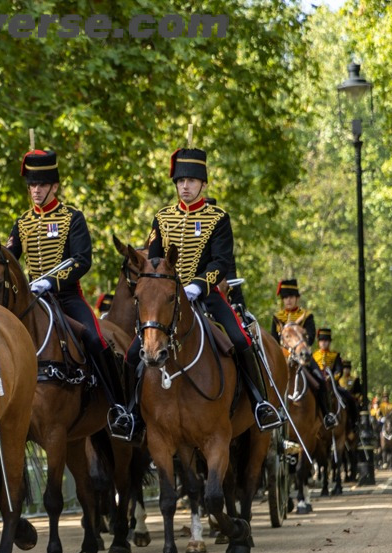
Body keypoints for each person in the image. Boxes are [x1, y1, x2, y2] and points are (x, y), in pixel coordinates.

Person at [115, 146, 282, 433]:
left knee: (241, 340)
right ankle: (131, 414)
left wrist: (197, 285)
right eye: (180, 181)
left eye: (191, 181)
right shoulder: (162, 218)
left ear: (203, 184)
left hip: (205, 295)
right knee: (133, 353)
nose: (185, 186)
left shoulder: (217, 218)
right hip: (166, 299)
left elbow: (221, 262)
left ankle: (259, 403)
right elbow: (154, 261)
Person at [4, 149, 132, 439]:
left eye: (41, 185)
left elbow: (81, 259)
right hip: (32, 299)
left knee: (95, 338)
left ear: (55, 186)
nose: (35, 191)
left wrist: (52, 281)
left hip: (65, 297)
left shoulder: (71, 218)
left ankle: (117, 406)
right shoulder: (22, 222)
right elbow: (9, 259)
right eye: (31, 186)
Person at [270, 279, 315, 344]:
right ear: (282, 300)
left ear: (297, 298)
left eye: (291, 297)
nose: (288, 300)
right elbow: (274, 341)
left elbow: (310, 339)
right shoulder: (277, 317)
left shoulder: (306, 316)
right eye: (285, 297)